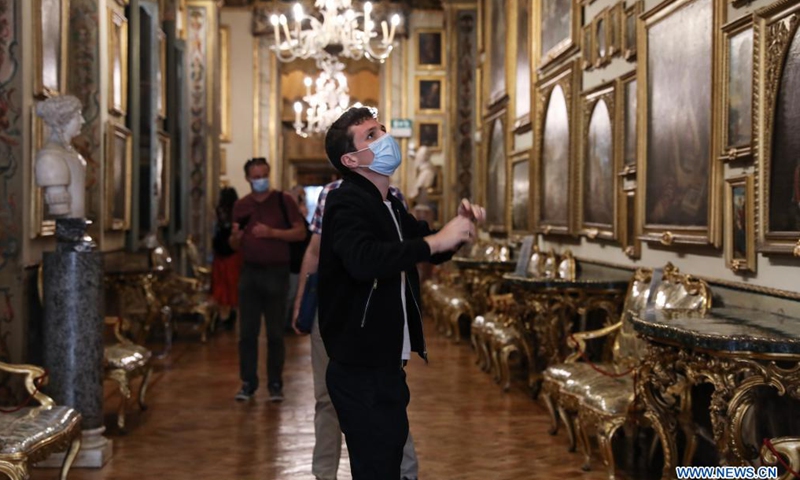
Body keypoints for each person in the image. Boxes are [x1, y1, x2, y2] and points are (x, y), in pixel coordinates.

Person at [317, 106, 484, 478]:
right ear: (351, 159)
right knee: (377, 468)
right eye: (371, 136)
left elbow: (425, 245)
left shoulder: (389, 202)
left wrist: (458, 229)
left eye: (382, 130)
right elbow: (363, 260)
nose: (385, 139)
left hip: (387, 363)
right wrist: (436, 241)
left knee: (388, 464)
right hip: (359, 367)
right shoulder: (345, 201)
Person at [292, 179, 419, 480]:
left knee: (387, 397)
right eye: (371, 135)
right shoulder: (331, 194)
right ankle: (324, 473)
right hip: (334, 310)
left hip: (376, 312)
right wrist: (301, 303)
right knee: (326, 398)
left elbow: (401, 255)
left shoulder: (393, 194)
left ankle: (405, 471)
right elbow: (314, 250)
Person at [229, 157, 307, 402]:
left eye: (264, 175)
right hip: (250, 272)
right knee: (247, 332)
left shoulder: (283, 201)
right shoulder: (241, 205)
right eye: (255, 176)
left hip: (277, 272)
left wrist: (272, 233)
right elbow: (233, 244)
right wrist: (236, 237)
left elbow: (300, 232)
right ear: (248, 179)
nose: (260, 180)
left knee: (275, 332)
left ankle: (275, 383)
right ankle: (248, 382)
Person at [211, 186, 242, 331]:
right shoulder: (238, 213)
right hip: (232, 253)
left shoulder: (220, 212)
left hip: (223, 251)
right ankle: (231, 314)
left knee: (222, 284)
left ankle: (223, 315)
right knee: (230, 284)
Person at [284, 185, 312, 332]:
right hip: (291, 262)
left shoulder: (299, 217)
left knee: (294, 294)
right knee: (289, 295)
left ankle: (288, 322)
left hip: (298, 262)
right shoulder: (287, 217)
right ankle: (284, 323)